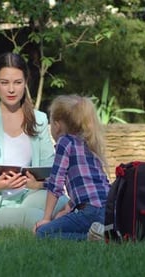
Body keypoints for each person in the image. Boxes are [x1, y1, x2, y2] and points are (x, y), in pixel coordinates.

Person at [0, 52, 67, 231]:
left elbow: (51, 171)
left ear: (26, 82)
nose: (11, 90)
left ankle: (62, 220)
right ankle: (62, 224)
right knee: (37, 217)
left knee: (66, 202)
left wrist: (37, 184)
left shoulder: (39, 119)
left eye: (17, 82)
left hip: (29, 194)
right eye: (4, 83)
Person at [32, 94, 111, 240]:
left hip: (90, 211)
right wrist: (67, 209)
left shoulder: (65, 142)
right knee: (65, 221)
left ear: (56, 125)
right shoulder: (90, 143)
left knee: (43, 233)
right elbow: (86, 185)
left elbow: (56, 185)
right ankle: (102, 235)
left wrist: (46, 219)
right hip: (110, 210)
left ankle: (90, 239)